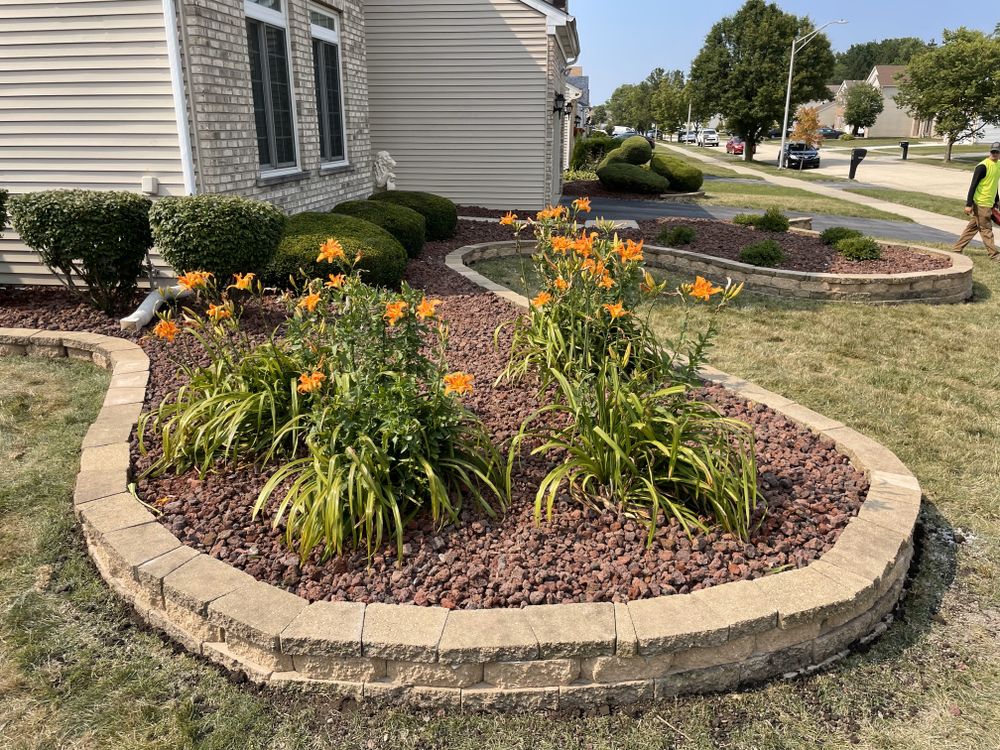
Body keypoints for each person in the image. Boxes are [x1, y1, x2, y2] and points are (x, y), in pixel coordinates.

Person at [953, 142, 1000, 259]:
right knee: (986, 229)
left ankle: (957, 249)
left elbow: (993, 184)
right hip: (981, 203)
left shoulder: (998, 165)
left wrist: (996, 200)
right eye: (993, 151)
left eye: (997, 152)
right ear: (990, 152)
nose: (994, 154)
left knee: (972, 228)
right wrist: (968, 204)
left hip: (989, 202)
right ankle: (994, 255)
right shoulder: (982, 166)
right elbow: (973, 186)